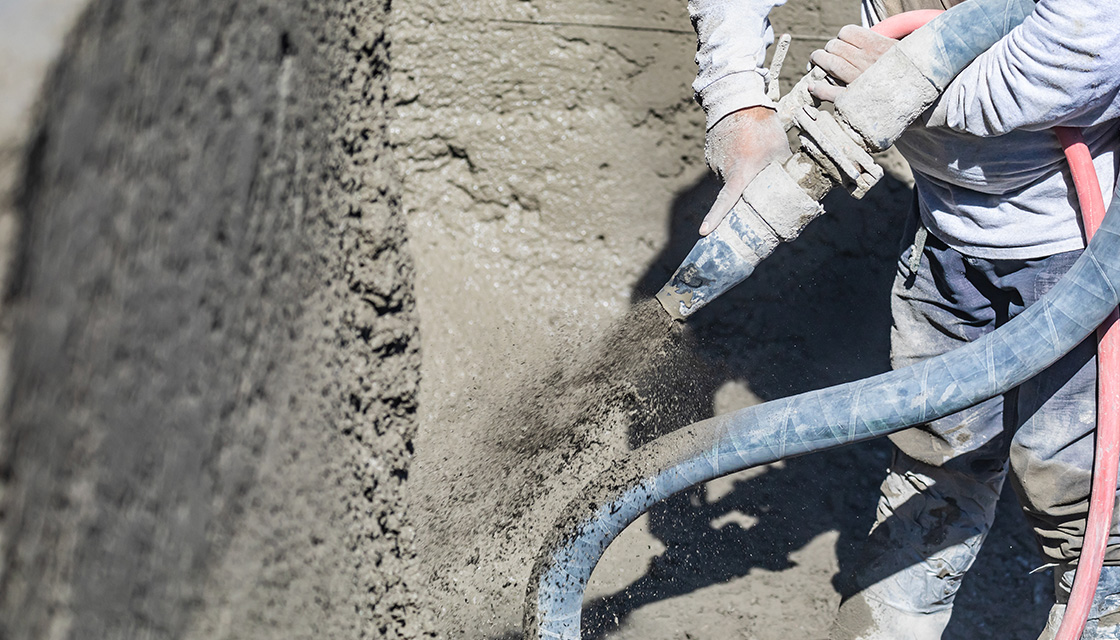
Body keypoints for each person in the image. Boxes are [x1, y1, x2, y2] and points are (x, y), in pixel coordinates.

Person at [687, 0, 1120, 638]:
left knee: (1083, 500)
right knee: (932, 457)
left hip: (1083, 246)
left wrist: (917, 83)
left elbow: (1088, 42)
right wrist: (736, 100)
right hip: (946, 232)